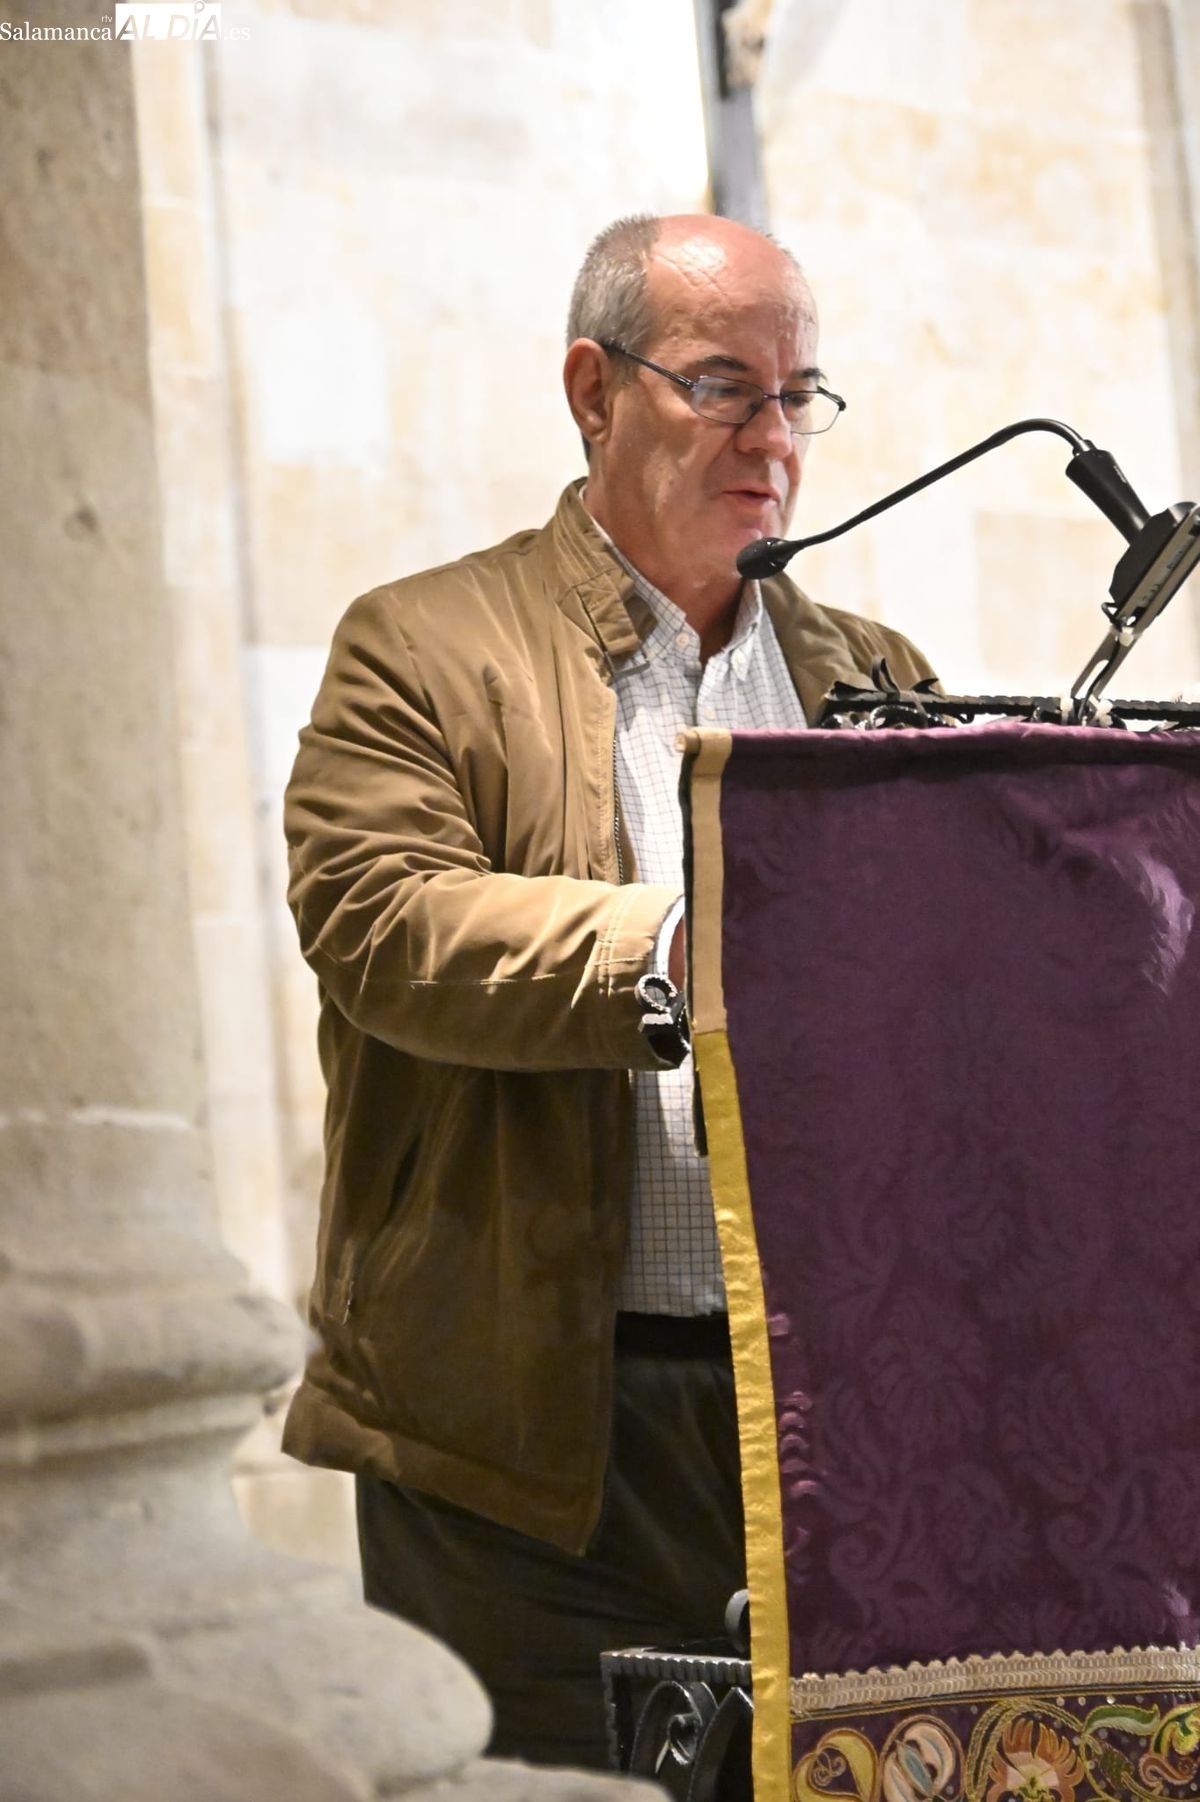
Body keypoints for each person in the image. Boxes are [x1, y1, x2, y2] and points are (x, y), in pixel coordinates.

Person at [282, 212, 935, 1768]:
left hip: (830, 1418)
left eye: (798, 394)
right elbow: (379, 919)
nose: (772, 439)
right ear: (593, 390)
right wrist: (683, 945)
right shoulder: (422, 645)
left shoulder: (877, 680)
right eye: (723, 386)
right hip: (520, 1439)